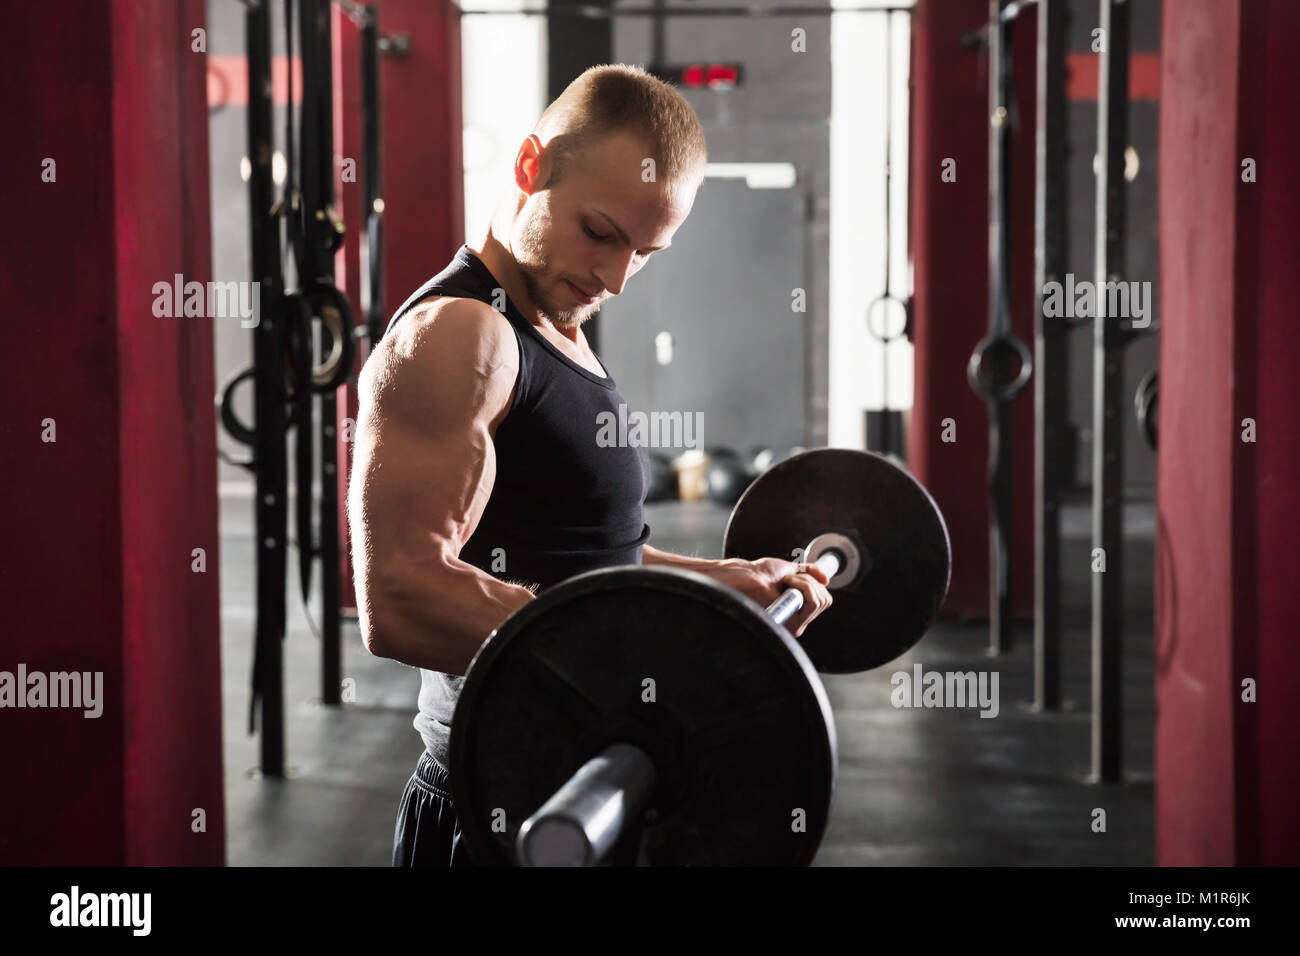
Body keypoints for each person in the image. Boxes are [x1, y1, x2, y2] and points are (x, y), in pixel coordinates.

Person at [349, 63, 832, 867]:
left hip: (591, 778)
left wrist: (717, 585)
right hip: (500, 808)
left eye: (644, 253)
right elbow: (400, 595)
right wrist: (627, 660)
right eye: (601, 233)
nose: (614, 277)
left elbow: (578, 558)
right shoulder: (462, 336)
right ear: (530, 166)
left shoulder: (552, 327)